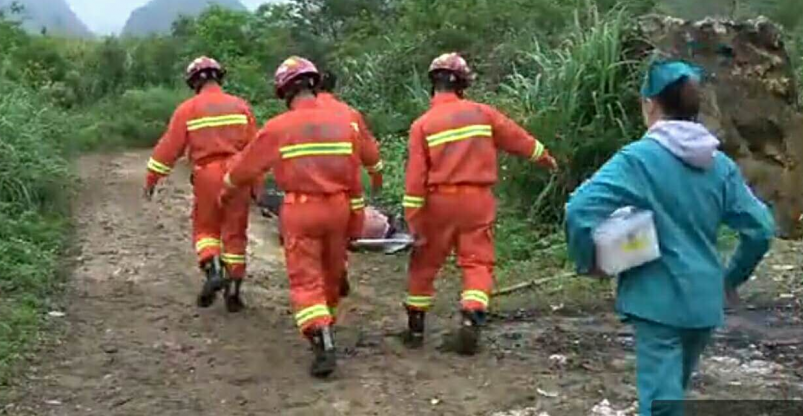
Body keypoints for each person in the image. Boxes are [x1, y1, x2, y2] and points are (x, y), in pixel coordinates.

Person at [565, 60, 775, 416]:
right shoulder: (718, 164)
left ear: (650, 104)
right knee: (671, 394)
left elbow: (579, 210)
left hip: (656, 302)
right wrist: (730, 279)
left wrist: (592, 261)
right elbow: (761, 229)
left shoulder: (639, 159)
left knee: (661, 404)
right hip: (703, 302)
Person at [403, 52, 557, 354]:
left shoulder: (422, 125)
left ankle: (415, 329)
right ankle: (472, 312)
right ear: (462, 84)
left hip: (439, 202)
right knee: (477, 261)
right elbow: (519, 139)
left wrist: (413, 219)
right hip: (477, 200)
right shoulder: (483, 114)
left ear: (433, 85)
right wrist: (545, 157)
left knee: (425, 262)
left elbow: (415, 180)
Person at [220, 56, 365, 378]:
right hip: (340, 208)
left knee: (305, 278)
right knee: (330, 275)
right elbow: (355, 180)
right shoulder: (344, 124)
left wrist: (227, 190)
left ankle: (319, 334)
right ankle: (327, 320)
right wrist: (355, 222)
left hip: (302, 210)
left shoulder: (278, 127)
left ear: (285, 90)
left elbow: (245, 169)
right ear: (314, 84)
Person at [144, 56, 257, 312]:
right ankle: (234, 290)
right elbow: (256, 149)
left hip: (207, 175)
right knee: (235, 232)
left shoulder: (188, 109)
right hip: (238, 174)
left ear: (193, 82)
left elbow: (169, 147)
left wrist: (153, 177)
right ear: (220, 76)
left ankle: (213, 268)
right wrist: (258, 186)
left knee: (206, 227)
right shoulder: (241, 106)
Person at [318, 70, 384, 193]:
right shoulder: (350, 114)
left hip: (302, 200)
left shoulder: (293, 116)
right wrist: (377, 184)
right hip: (344, 196)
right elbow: (371, 155)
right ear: (334, 87)